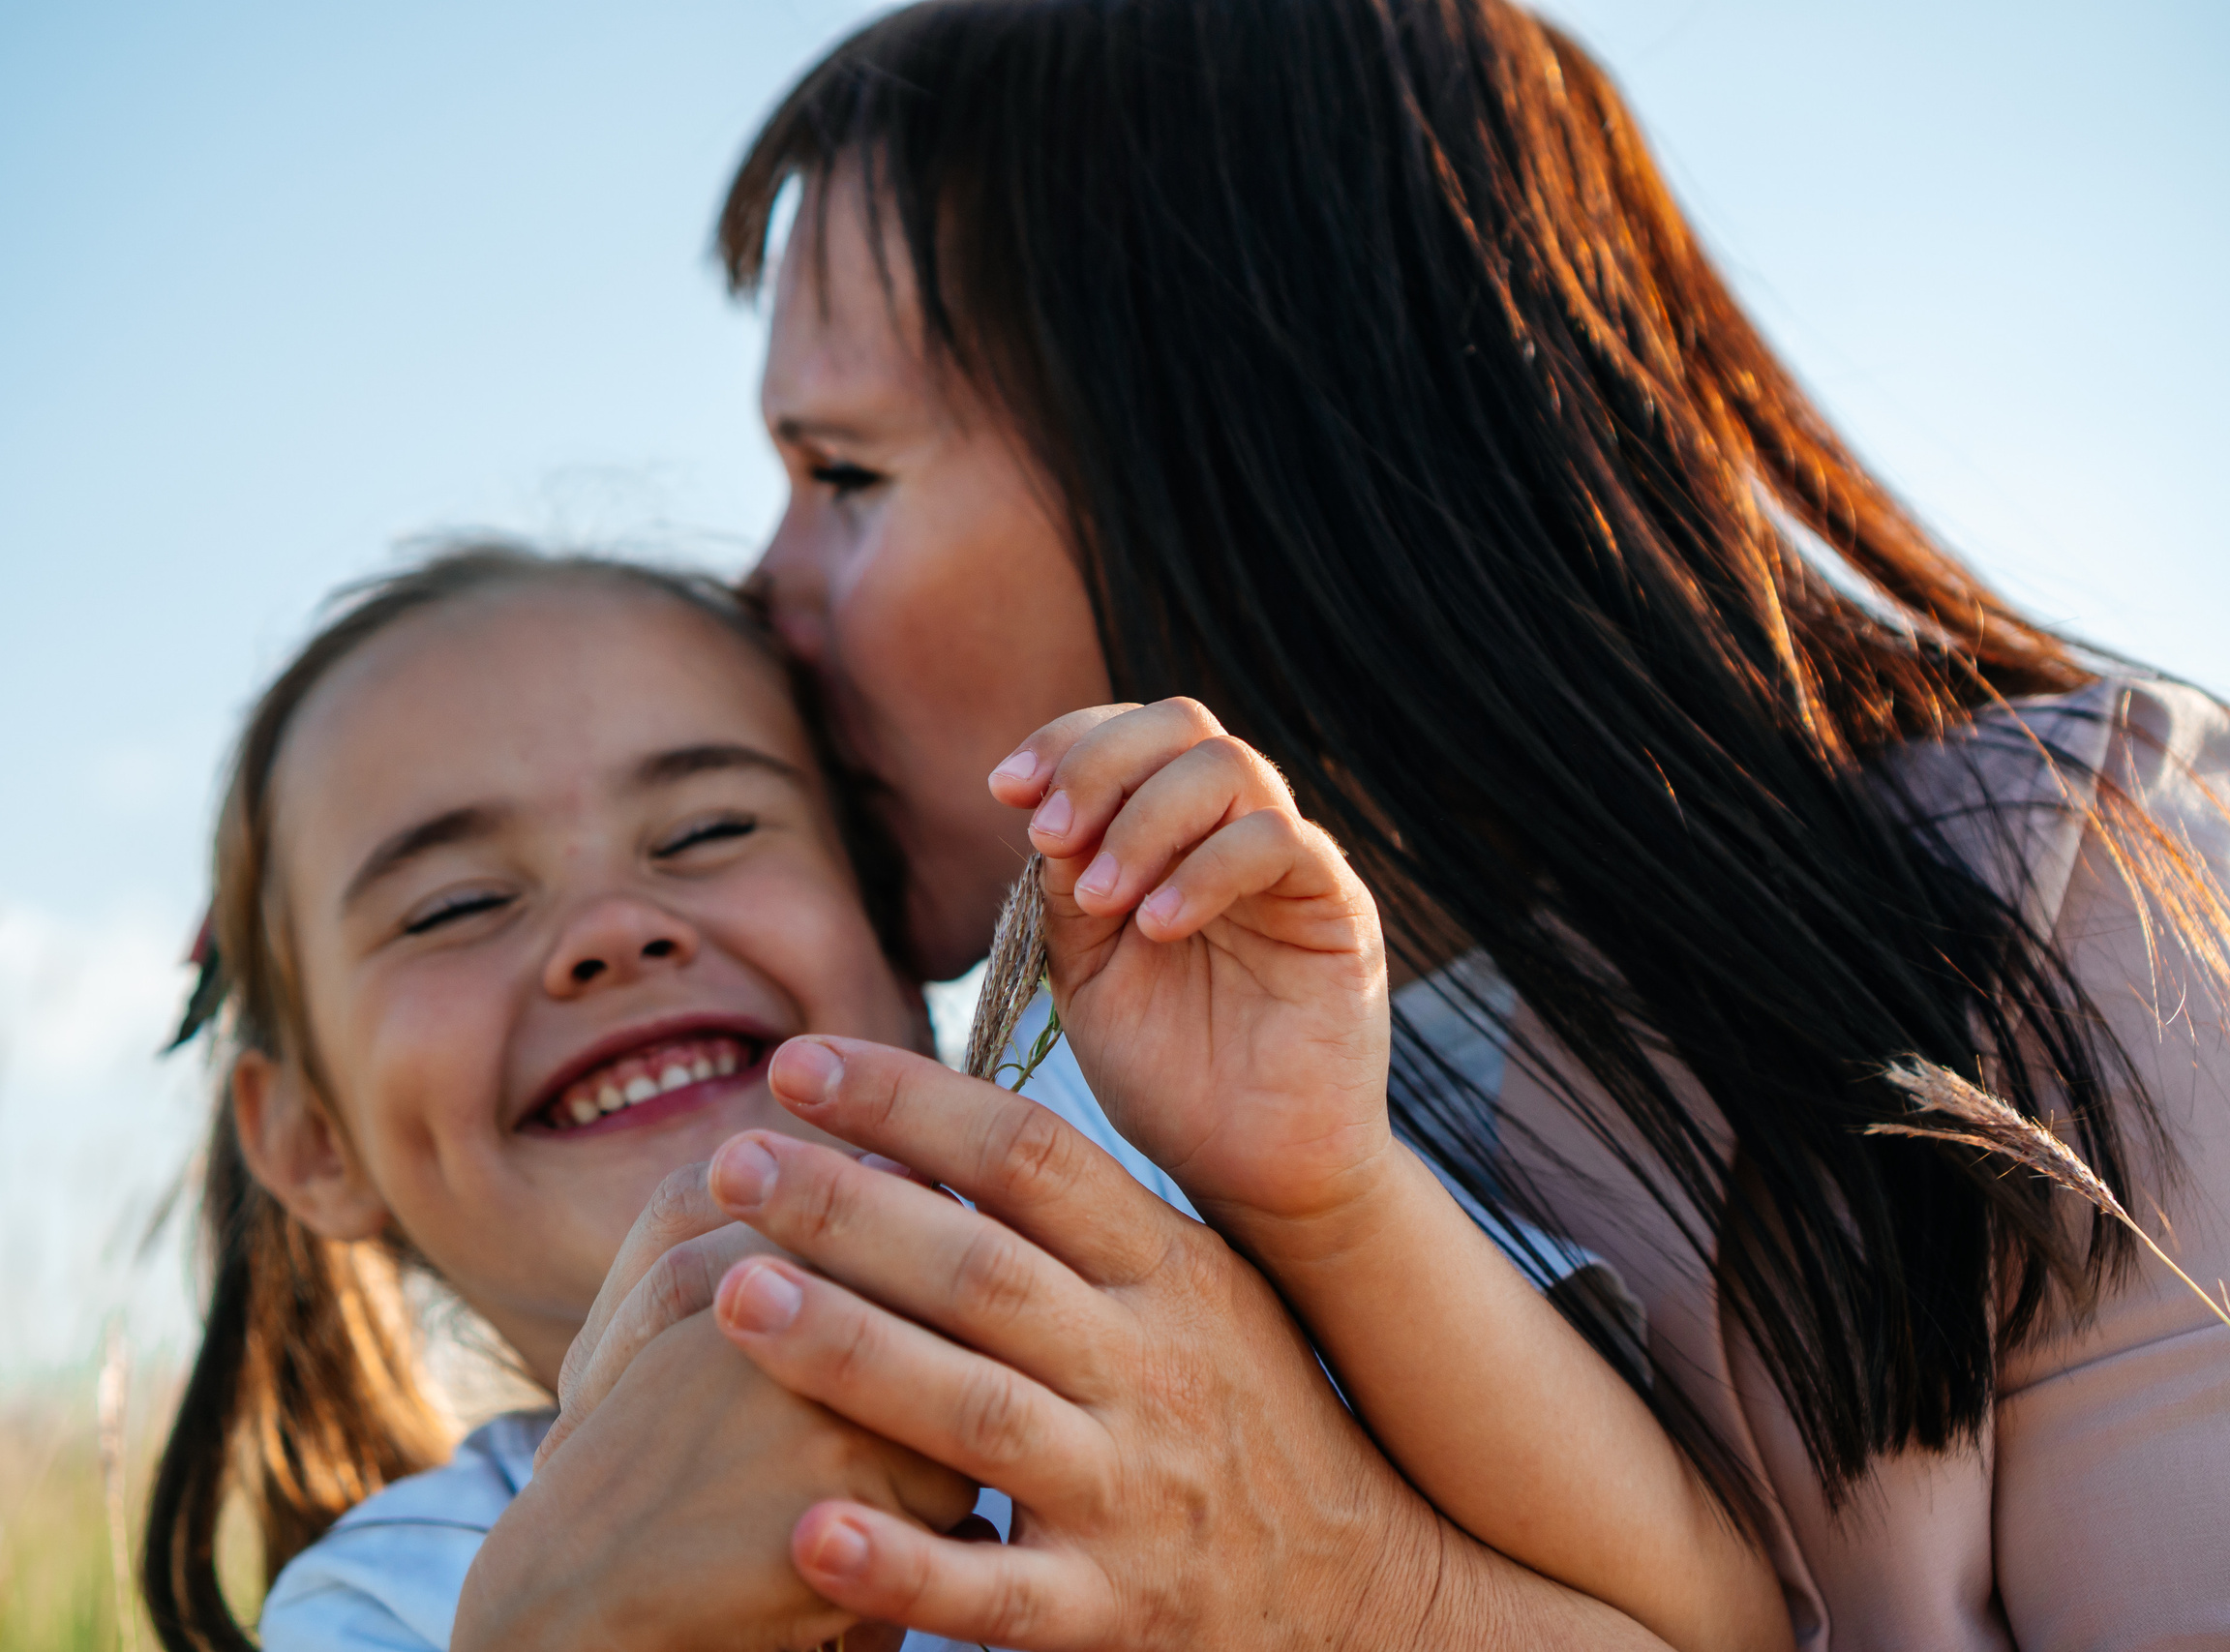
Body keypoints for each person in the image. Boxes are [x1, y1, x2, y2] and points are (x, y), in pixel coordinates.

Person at [493, 1, 2230, 1647]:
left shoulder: (2062, 880)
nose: (761, 588)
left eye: (847, 475)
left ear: (1236, 451)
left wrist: (1362, 1597)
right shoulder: (1035, 1167)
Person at [143, 540, 1781, 1652]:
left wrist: (1324, 1196)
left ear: (901, 926)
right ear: (307, 1139)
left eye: (709, 831)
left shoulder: (1190, 1240)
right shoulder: (404, 1598)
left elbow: (1726, 1621)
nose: (612, 930)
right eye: (447, 907)